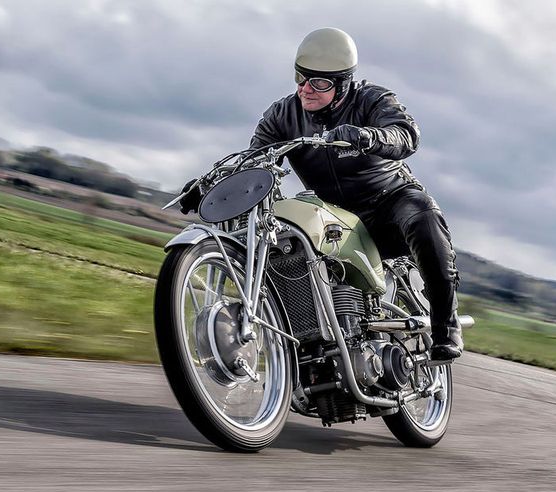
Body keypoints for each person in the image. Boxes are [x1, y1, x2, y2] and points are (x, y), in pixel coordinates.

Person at [183, 28, 462, 363]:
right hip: (334, 216)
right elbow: (253, 159)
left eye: (319, 83)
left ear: (343, 83)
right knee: (290, 250)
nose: (306, 89)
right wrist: (206, 185)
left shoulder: (373, 99)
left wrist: (366, 136)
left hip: (388, 202)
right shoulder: (283, 115)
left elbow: (406, 134)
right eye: (301, 78)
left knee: (423, 216)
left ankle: (446, 325)